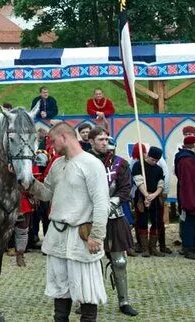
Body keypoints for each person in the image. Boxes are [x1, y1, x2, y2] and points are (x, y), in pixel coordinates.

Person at [24, 122, 109, 322]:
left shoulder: (91, 163)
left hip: (82, 237)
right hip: (58, 236)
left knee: (87, 291)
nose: (51, 145)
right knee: (60, 290)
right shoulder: (57, 164)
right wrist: (27, 180)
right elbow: (46, 194)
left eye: (53, 141)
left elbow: (101, 202)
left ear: (64, 137)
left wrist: (97, 235)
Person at [86, 127, 137, 317]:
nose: (104, 142)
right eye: (100, 139)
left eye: (106, 139)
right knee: (92, 261)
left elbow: (125, 188)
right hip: (89, 217)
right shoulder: (83, 161)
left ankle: (124, 301)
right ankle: (91, 299)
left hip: (114, 216)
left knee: (120, 261)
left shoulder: (120, 163)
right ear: (91, 141)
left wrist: (109, 203)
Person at [131, 145, 166, 258]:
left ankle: (153, 248)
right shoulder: (138, 165)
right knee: (142, 221)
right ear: (148, 156)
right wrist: (146, 195)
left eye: (156, 160)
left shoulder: (159, 169)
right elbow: (138, 181)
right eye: (152, 160)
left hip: (155, 198)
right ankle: (144, 248)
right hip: (141, 197)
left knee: (156, 222)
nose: (154, 162)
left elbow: (161, 184)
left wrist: (154, 195)